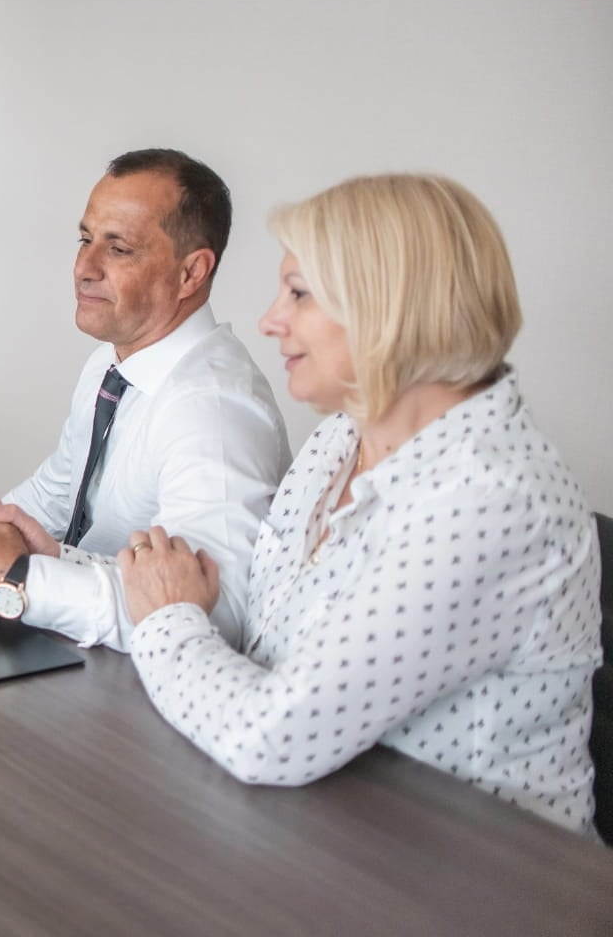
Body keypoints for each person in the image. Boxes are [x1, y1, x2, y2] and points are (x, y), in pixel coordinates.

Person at [119, 173, 601, 833]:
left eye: (300, 293)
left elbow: (273, 736)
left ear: (390, 306)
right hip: (323, 824)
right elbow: (256, 639)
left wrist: (169, 621)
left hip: (478, 883)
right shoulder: (340, 438)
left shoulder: (494, 501)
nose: (269, 320)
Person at [0, 149, 290, 652]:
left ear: (191, 273)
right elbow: (60, 490)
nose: (84, 267)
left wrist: (15, 583)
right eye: (85, 239)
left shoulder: (214, 410)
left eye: (118, 249)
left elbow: (215, 612)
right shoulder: (110, 365)